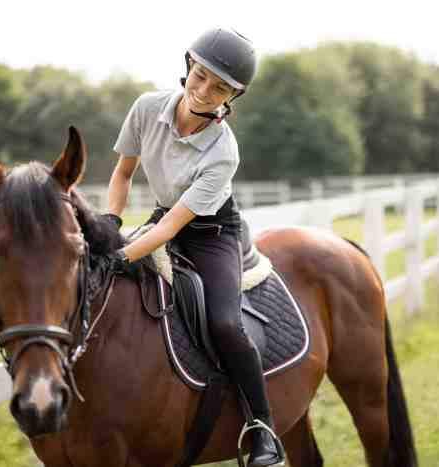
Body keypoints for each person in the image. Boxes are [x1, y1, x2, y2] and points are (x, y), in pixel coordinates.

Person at [103, 28, 284, 467]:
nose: (203, 92)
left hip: (209, 234)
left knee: (223, 322)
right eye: (200, 76)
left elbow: (169, 231)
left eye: (219, 87)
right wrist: (110, 224)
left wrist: (120, 255)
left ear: (233, 96)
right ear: (188, 66)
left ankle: (261, 427)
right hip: (163, 215)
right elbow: (123, 175)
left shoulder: (224, 150)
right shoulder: (146, 108)